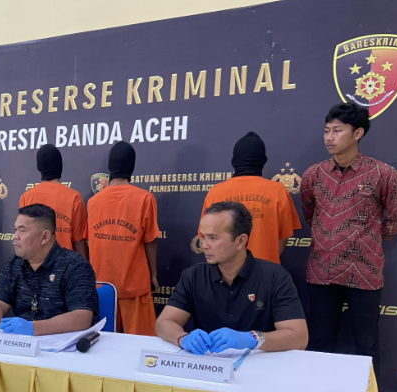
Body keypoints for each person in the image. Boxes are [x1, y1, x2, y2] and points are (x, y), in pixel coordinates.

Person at [300, 102, 397, 372]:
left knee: (366, 345)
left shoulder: (382, 173)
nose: (329, 137)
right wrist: (332, 233)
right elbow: (310, 214)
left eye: (337, 130)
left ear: (358, 133)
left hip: (363, 271)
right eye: (327, 130)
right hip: (322, 271)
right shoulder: (313, 175)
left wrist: (369, 237)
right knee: (319, 343)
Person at [156, 201, 308, 354]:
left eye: (213, 238)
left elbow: (299, 337)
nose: (205, 245)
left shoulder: (274, 276)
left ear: (241, 241)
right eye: (203, 237)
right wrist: (182, 338)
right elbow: (164, 322)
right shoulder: (193, 275)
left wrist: (252, 339)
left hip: (260, 362)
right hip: (209, 362)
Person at [0, 204, 99, 336]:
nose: (15, 236)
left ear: (45, 237)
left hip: (66, 343)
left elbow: (81, 318)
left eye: (22, 231)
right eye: (15, 230)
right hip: (23, 342)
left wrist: (33, 328)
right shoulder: (14, 263)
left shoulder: (75, 265)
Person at [87, 141, 160, 335]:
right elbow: (150, 240)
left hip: (101, 286)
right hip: (135, 285)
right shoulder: (145, 198)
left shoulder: (93, 202)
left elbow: (89, 242)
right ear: (132, 167)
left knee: (101, 343)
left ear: (109, 167)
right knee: (140, 344)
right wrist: (153, 275)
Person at [199, 131, 301, 263]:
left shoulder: (215, 192)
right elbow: (283, 239)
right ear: (263, 161)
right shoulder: (277, 190)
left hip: (225, 271)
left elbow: (205, 237)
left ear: (234, 161)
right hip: (265, 270)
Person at [18, 144, 88, 258]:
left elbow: (22, 239)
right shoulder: (73, 197)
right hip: (65, 266)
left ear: (39, 167)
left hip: (34, 266)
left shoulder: (26, 197)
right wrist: (84, 267)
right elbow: (79, 241)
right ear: (60, 166)